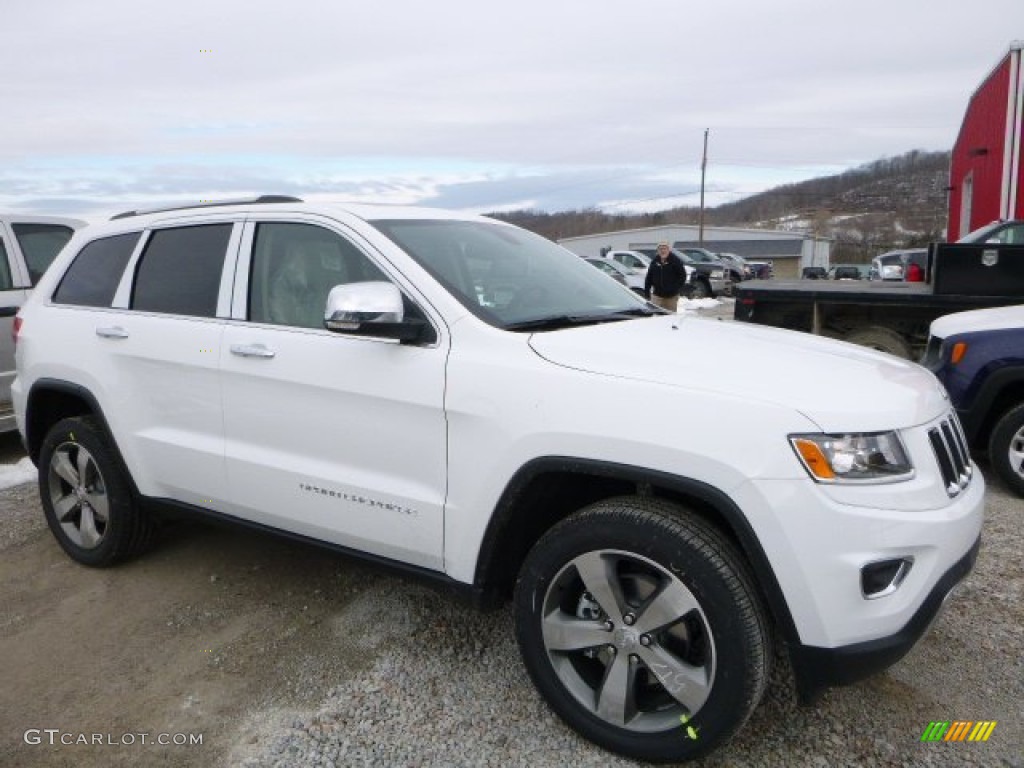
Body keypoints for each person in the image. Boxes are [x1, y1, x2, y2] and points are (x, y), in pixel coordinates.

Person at [644, 242, 690, 311]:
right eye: (660, 249)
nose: (663, 251)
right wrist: (647, 291)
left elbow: (682, 276)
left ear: (668, 250)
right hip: (657, 295)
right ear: (658, 250)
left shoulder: (675, 261)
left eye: (665, 248)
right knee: (655, 315)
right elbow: (649, 277)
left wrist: (675, 288)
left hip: (671, 297)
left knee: (670, 316)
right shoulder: (654, 261)